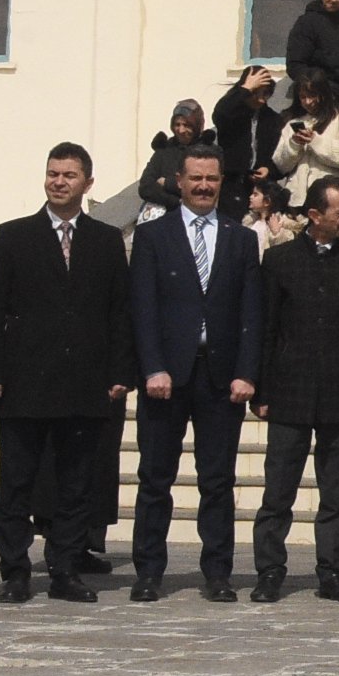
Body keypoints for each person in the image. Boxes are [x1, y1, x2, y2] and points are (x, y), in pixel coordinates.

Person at [0, 145, 134, 604]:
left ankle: (64, 568)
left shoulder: (105, 240)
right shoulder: (13, 236)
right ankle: (15, 571)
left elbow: (119, 312)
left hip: (84, 383)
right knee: (17, 483)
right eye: (53, 174)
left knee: (75, 483)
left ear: (88, 183)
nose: (59, 182)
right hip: (24, 383)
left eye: (69, 175)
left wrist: (120, 371)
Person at [126, 143, 264, 603]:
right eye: (196, 178)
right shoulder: (153, 235)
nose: (204, 186)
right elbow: (142, 307)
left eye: (212, 178)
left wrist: (247, 372)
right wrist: (152, 367)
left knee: (217, 481)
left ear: (221, 182)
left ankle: (218, 573)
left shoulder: (241, 238)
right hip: (165, 378)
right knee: (155, 478)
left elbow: (251, 310)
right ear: (180, 182)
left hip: (220, 376)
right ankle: (148, 572)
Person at [252, 177, 339, 603]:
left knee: (336, 491)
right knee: (278, 490)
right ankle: (270, 570)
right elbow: (268, 328)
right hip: (289, 389)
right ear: (314, 215)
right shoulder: (280, 260)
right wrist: (262, 390)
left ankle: (331, 571)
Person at [210, 67, 288, 220]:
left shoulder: (272, 119)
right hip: (233, 186)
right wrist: (245, 89)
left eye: (265, 94)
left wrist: (268, 169)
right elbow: (220, 114)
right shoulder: (232, 115)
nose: (261, 99)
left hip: (262, 190)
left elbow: (281, 155)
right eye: (256, 93)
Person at [271, 75, 339, 207]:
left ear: (324, 94)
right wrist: (294, 144)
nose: (308, 101)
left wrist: (315, 141)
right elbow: (281, 165)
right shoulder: (293, 123)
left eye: (312, 96)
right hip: (297, 199)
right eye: (303, 97)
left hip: (330, 197)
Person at [137, 99, 214, 211]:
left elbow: (201, 186)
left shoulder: (208, 152)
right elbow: (145, 187)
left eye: (187, 125)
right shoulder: (164, 149)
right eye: (177, 125)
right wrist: (176, 201)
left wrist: (167, 183)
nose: (181, 130)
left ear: (197, 126)